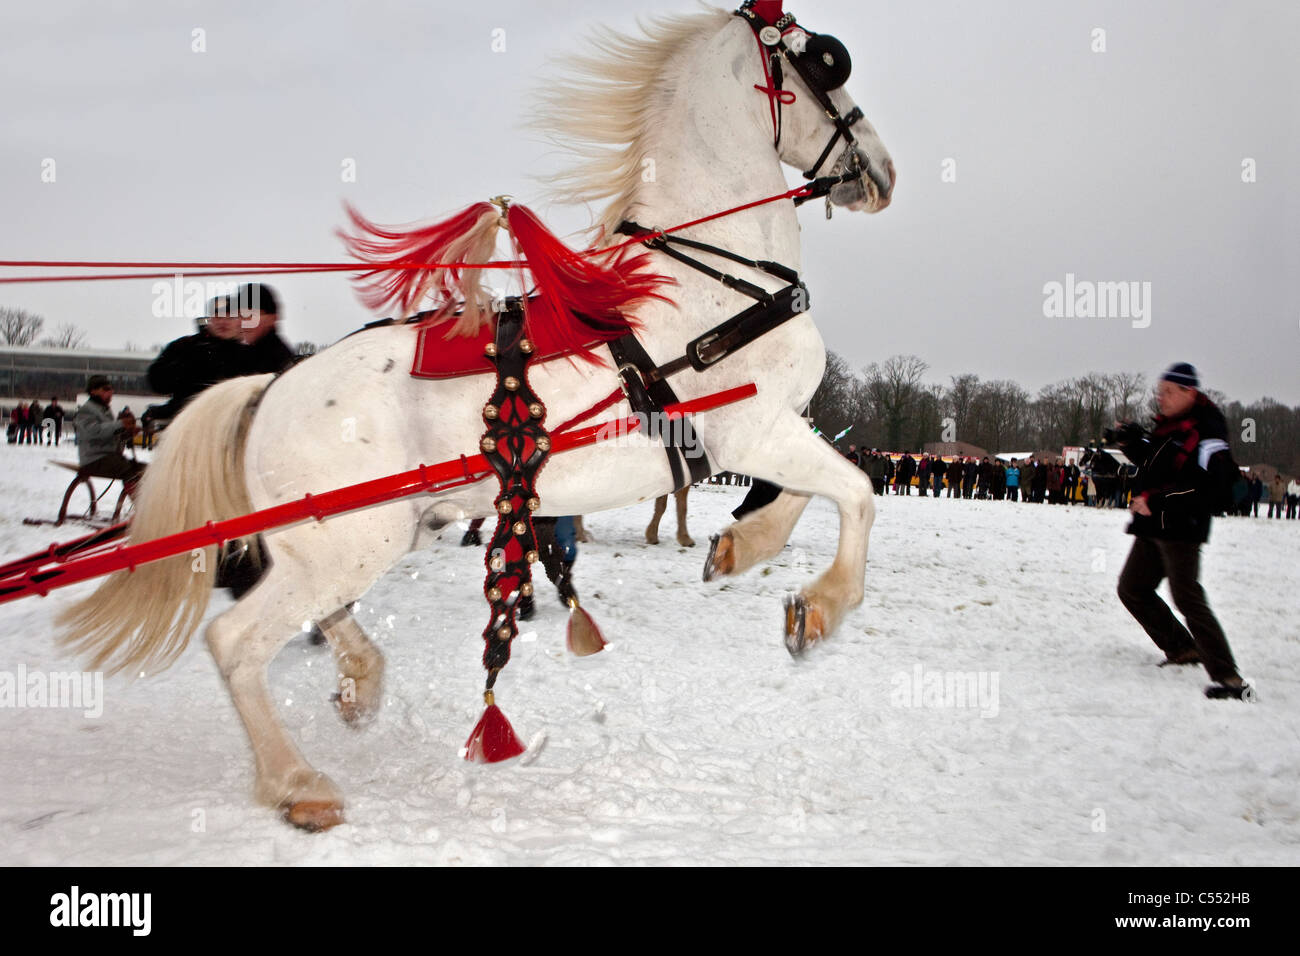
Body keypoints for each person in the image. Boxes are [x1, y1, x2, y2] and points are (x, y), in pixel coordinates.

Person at [1113, 363, 1251, 701]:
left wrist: (1156, 501)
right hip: (1154, 524)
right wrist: (1132, 441)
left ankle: (1229, 678)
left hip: (1181, 526)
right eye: (1159, 392)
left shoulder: (1207, 431)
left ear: (1189, 392)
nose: (1160, 398)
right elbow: (1156, 462)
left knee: (1187, 596)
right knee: (1133, 588)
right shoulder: (1170, 427)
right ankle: (1181, 648)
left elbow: (1211, 489)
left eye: (1168, 392)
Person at [146, 295, 249, 423]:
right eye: (218, 316)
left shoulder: (250, 355)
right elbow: (156, 382)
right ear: (209, 318)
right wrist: (187, 365)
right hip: (185, 425)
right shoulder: (185, 346)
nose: (223, 322)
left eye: (230, 317)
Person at [73, 376, 146, 497]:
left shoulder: (104, 410)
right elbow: (93, 432)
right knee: (128, 470)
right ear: (93, 391)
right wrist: (120, 424)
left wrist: (127, 433)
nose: (111, 392)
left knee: (144, 469)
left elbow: (110, 435)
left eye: (111, 389)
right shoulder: (86, 410)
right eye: (106, 389)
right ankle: (141, 508)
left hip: (108, 458)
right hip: (94, 460)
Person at [233, 283, 296, 374]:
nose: (241, 322)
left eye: (249, 315)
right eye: (239, 315)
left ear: (272, 318)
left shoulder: (281, 364)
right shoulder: (241, 357)